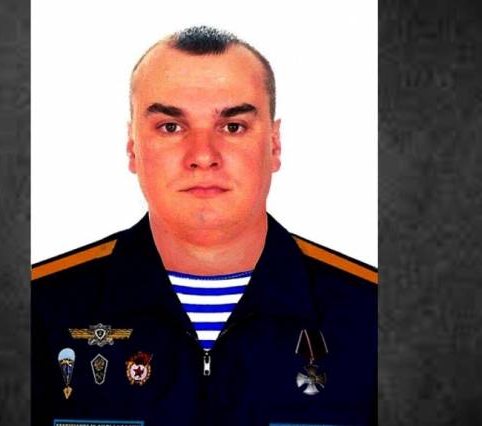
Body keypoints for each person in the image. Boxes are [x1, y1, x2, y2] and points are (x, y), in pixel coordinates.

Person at [32, 26, 377, 426]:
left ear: (274, 144)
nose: (202, 155)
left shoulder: (374, 314)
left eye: (232, 127)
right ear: (132, 146)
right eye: (171, 127)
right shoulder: (36, 311)